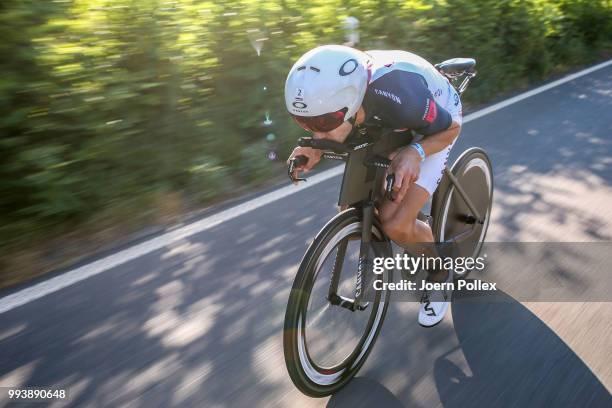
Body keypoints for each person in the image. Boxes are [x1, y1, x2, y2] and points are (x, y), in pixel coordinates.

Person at [285, 45, 463, 327]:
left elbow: (451, 129)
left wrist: (415, 152)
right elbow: (323, 121)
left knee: (394, 223)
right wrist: (315, 145)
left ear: (352, 103)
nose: (316, 129)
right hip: (385, 119)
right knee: (352, 213)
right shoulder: (335, 99)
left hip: (435, 119)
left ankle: (440, 271)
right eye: (305, 123)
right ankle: (415, 230)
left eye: (324, 122)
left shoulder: (400, 96)